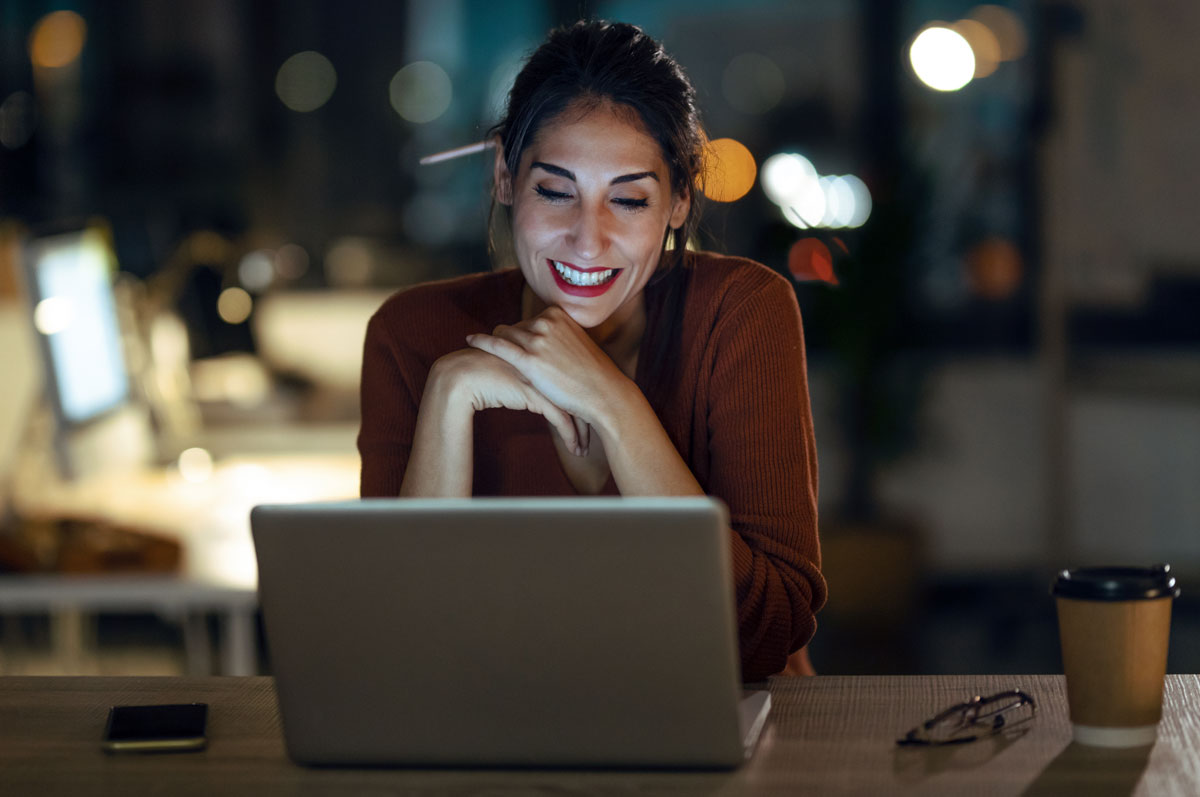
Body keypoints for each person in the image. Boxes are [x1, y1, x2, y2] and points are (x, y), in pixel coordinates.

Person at [358, 19, 825, 681]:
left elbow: (765, 632)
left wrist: (612, 400)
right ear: (503, 176)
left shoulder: (742, 312)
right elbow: (396, 645)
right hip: (501, 741)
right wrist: (448, 397)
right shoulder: (413, 333)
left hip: (723, 741)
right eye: (554, 191)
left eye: (629, 200)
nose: (587, 239)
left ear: (679, 202)